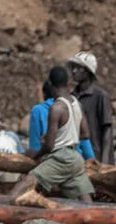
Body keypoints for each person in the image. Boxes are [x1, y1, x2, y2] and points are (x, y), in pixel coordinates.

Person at [9, 67, 95, 202]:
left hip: (61, 158)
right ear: (68, 83)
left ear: (50, 84)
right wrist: (64, 136)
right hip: (76, 159)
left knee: (25, 183)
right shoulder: (76, 103)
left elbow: (49, 147)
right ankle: (95, 219)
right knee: (85, 199)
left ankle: (4, 209)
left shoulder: (56, 108)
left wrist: (36, 155)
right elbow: (85, 134)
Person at [29, 79, 95, 161]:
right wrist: (92, 161)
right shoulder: (74, 106)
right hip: (76, 160)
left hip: (52, 162)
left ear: (44, 93)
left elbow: (35, 146)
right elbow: (86, 143)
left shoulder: (38, 110)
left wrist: (34, 155)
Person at [68, 51, 114, 164]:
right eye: (73, 67)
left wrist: (104, 162)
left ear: (88, 72)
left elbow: (107, 131)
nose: (74, 71)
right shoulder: (72, 97)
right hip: (77, 156)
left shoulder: (100, 96)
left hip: (96, 155)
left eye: (79, 68)